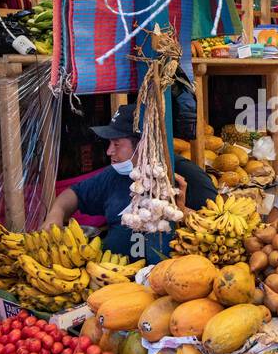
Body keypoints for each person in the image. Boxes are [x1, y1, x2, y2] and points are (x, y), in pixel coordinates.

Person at [42, 103, 217, 260]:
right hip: (114, 275)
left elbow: (219, 229)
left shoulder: (187, 175)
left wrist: (183, 212)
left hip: (170, 281)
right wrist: (54, 216)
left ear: (142, 144)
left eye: (117, 144)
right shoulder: (113, 175)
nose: (109, 151)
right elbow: (73, 194)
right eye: (109, 143)